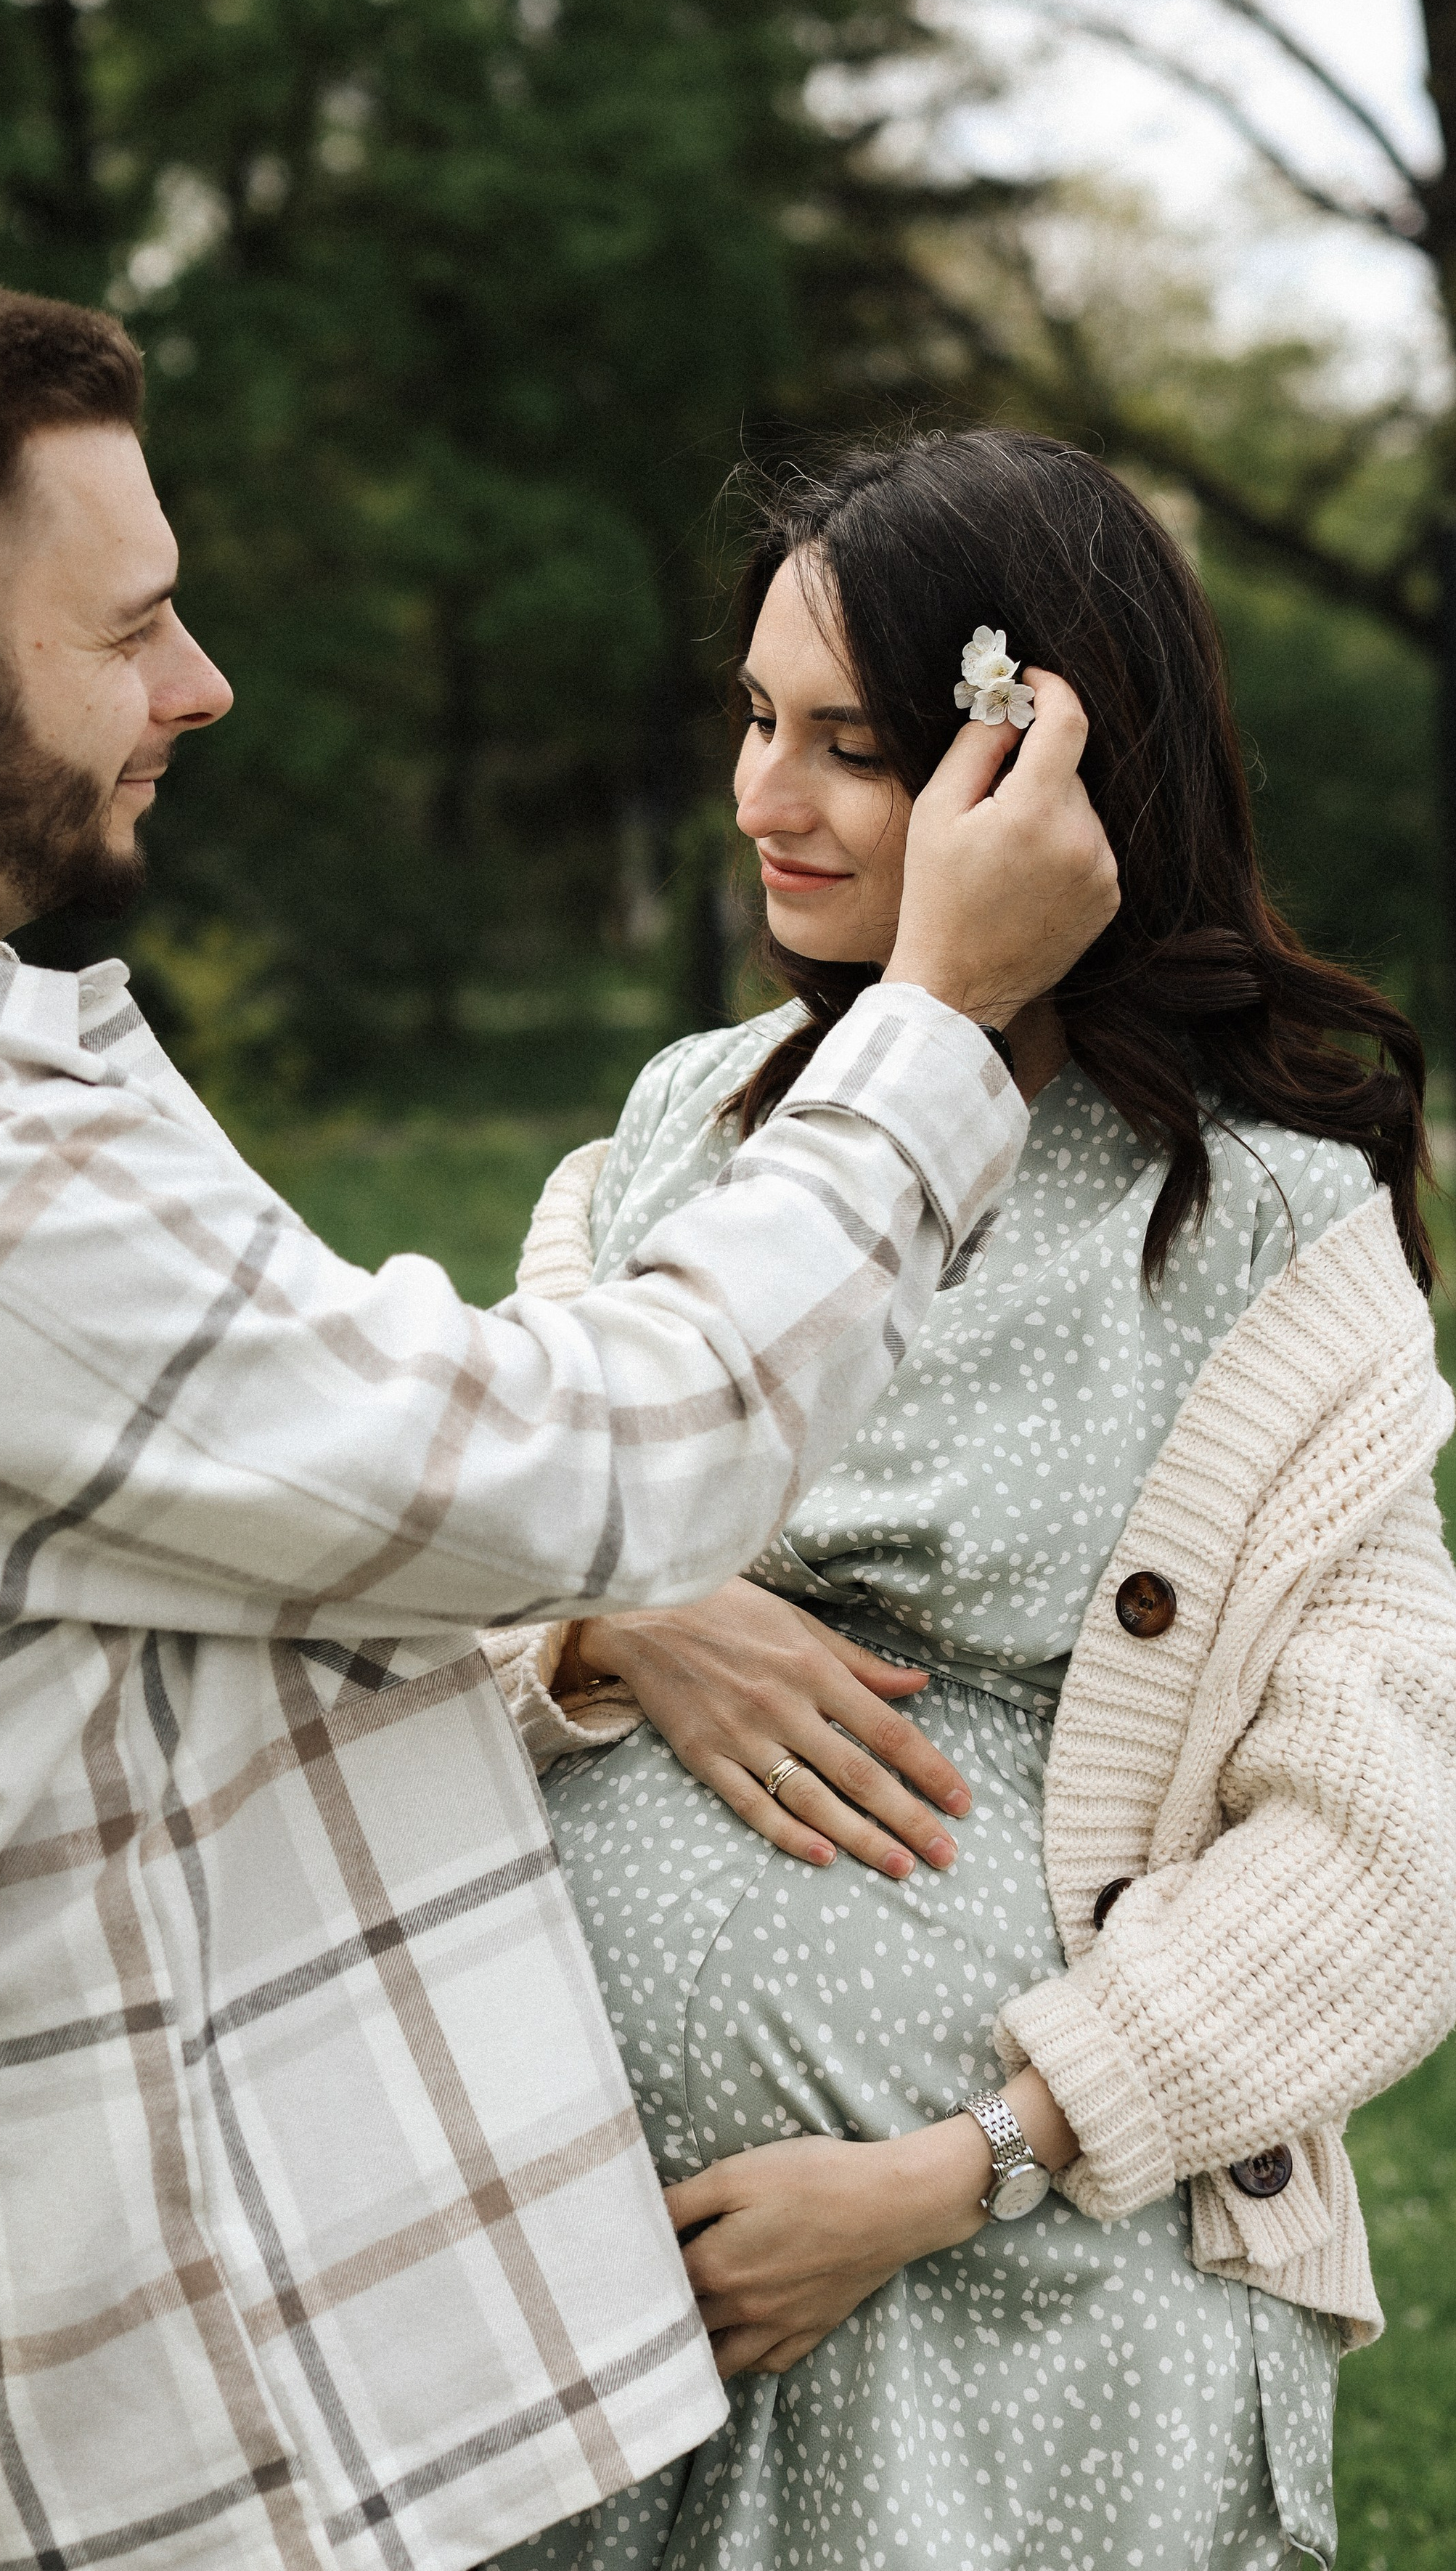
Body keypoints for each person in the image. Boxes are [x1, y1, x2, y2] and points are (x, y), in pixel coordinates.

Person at [0, 290, 1117, 2571]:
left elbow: (298, 1493)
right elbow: (601, 1459)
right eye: (132, 627)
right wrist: (941, 1029)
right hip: (190, 2442)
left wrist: (594, 1641)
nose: (200, 684)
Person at [484, 430, 1456, 2571]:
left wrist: (957, 2169)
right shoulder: (684, 1132)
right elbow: (429, 1560)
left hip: (1005, 2319)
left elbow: (1388, 1854)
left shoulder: (1268, 1243)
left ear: (1038, 766)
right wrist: (615, 1618)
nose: (762, 797)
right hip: (568, 2284)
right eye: (753, 721)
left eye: (851, 744)